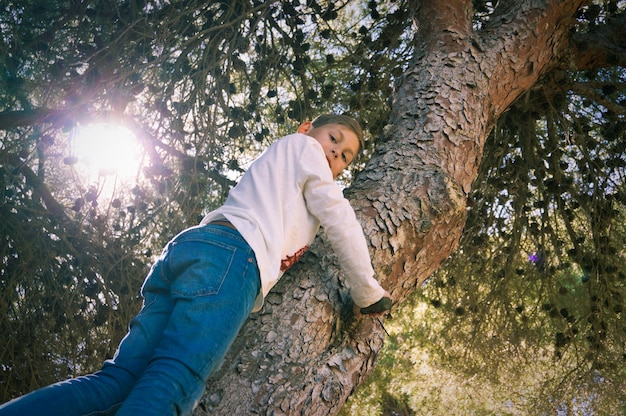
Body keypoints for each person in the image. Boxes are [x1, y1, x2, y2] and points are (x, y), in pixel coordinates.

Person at [0, 113, 391, 415]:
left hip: (192, 251)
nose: (335, 155)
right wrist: (366, 289)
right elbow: (338, 215)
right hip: (233, 258)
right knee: (172, 379)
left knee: (117, 381)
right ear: (307, 129)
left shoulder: (283, 163)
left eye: (344, 157)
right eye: (333, 139)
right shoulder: (304, 151)